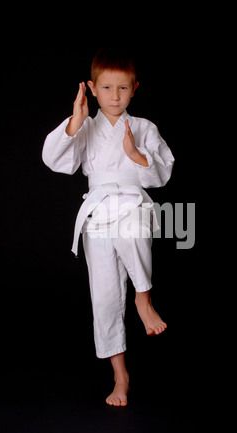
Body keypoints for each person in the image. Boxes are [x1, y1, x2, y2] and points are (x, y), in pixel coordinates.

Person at [42, 48, 174, 406]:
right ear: (91, 88)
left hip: (131, 202)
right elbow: (56, 160)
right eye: (106, 88)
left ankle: (143, 298)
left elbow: (162, 173)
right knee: (104, 296)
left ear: (134, 89)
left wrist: (135, 155)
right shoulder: (84, 125)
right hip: (98, 210)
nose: (115, 96)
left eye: (123, 89)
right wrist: (74, 119)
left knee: (130, 231)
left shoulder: (144, 127)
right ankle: (120, 376)